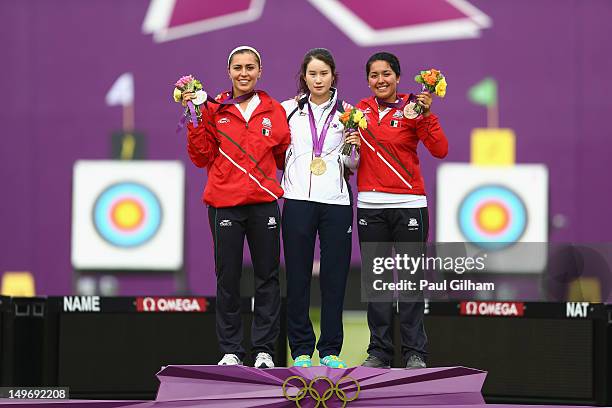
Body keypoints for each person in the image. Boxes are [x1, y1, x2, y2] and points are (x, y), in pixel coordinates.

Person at [182, 46, 290, 368]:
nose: (244, 73)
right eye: (238, 67)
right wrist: (194, 118)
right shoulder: (214, 108)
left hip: (263, 204)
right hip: (224, 203)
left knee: (267, 278)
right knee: (227, 277)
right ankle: (231, 350)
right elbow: (200, 156)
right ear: (229, 72)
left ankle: (264, 351)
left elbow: (285, 156)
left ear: (260, 72)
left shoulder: (273, 111)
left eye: (250, 67)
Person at [355, 52, 448, 369]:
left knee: (410, 281)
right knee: (377, 281)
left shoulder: (414, 107)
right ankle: (379, 352)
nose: (380, 80)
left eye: (386, 74)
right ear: (368, 80)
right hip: (370, 205)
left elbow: (440, 149)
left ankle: (414, 352)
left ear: (397, 77)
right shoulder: (360, 111)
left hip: (409, 204)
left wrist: (423, 116)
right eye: (374, 75)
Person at [281, 48, 360, 368]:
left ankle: (330, 350)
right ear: (304, 77)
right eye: (312, 74)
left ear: (333, 76)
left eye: (323, 73)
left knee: (334, 278)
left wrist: (353, 151)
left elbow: (352, 164)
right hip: (298, 200)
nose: (318, 79)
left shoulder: (349, 113)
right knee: (297, 277)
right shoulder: (286, 110)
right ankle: (300, 350)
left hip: (336, 202)